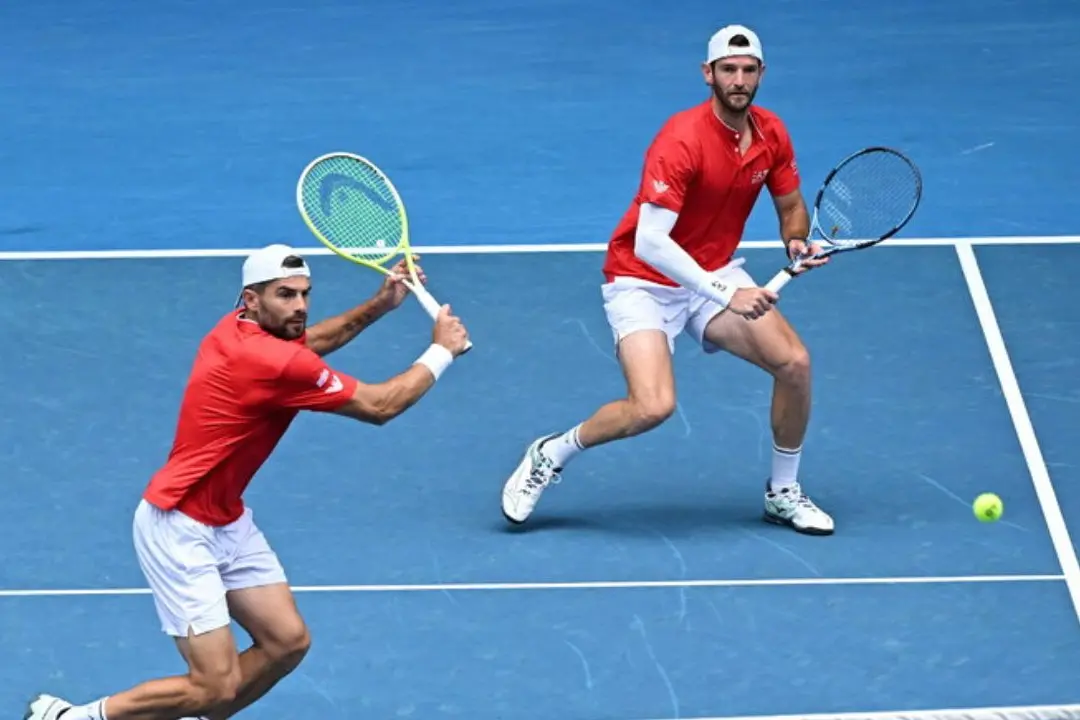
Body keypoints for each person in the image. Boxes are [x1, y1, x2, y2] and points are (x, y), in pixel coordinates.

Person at [26, 244, 470, 720]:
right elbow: (381, 405)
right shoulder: (272, 363)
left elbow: (307, 343)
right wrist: (441, 350)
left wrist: (379, 306)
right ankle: (73, 719)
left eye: (305, 293)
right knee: (214, 685)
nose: (299, 306)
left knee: (286, 643)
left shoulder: (236, 329)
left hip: (227, 520)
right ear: (252, 298)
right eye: (285, 295)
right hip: (178, 528)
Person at [500, 24, 835, 536]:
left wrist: (795, 241)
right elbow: (650, 243)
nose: (739, 79)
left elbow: (790, 205)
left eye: (748, 70)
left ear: (761, 74)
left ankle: (782, 493)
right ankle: (552, 452)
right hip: (642, 280)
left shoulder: (771, 133)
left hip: (710, 270)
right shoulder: (681, 140)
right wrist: (727, 291)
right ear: (709, 74)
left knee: (795, 364)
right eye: (728, 69)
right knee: (652, 406)